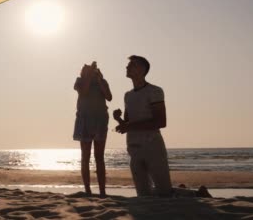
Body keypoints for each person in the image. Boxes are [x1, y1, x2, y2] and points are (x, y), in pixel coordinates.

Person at [113, 55, 211, 198]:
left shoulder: (155, 91)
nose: (127, 67)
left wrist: (128, 126)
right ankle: (183, 191)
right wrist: (118, 120)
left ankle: (198, 194)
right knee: (143, 195)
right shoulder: (128, 95)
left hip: (152, 146)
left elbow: (160, 122)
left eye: (132, 65)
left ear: (142, 69)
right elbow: (128, 124)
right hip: (133, 148)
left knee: (164, 192)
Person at [73, 61, 112, 197]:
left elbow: (109, 97)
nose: (87, 71)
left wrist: (100, 79)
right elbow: (83, 92)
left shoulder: (102, 81)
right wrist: (89, 76)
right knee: (85, 156)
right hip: (84, 120)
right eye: (85, 70)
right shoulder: (79, 81)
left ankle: (102, 191)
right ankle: (87, 190)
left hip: (100, 120)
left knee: (99, 157)